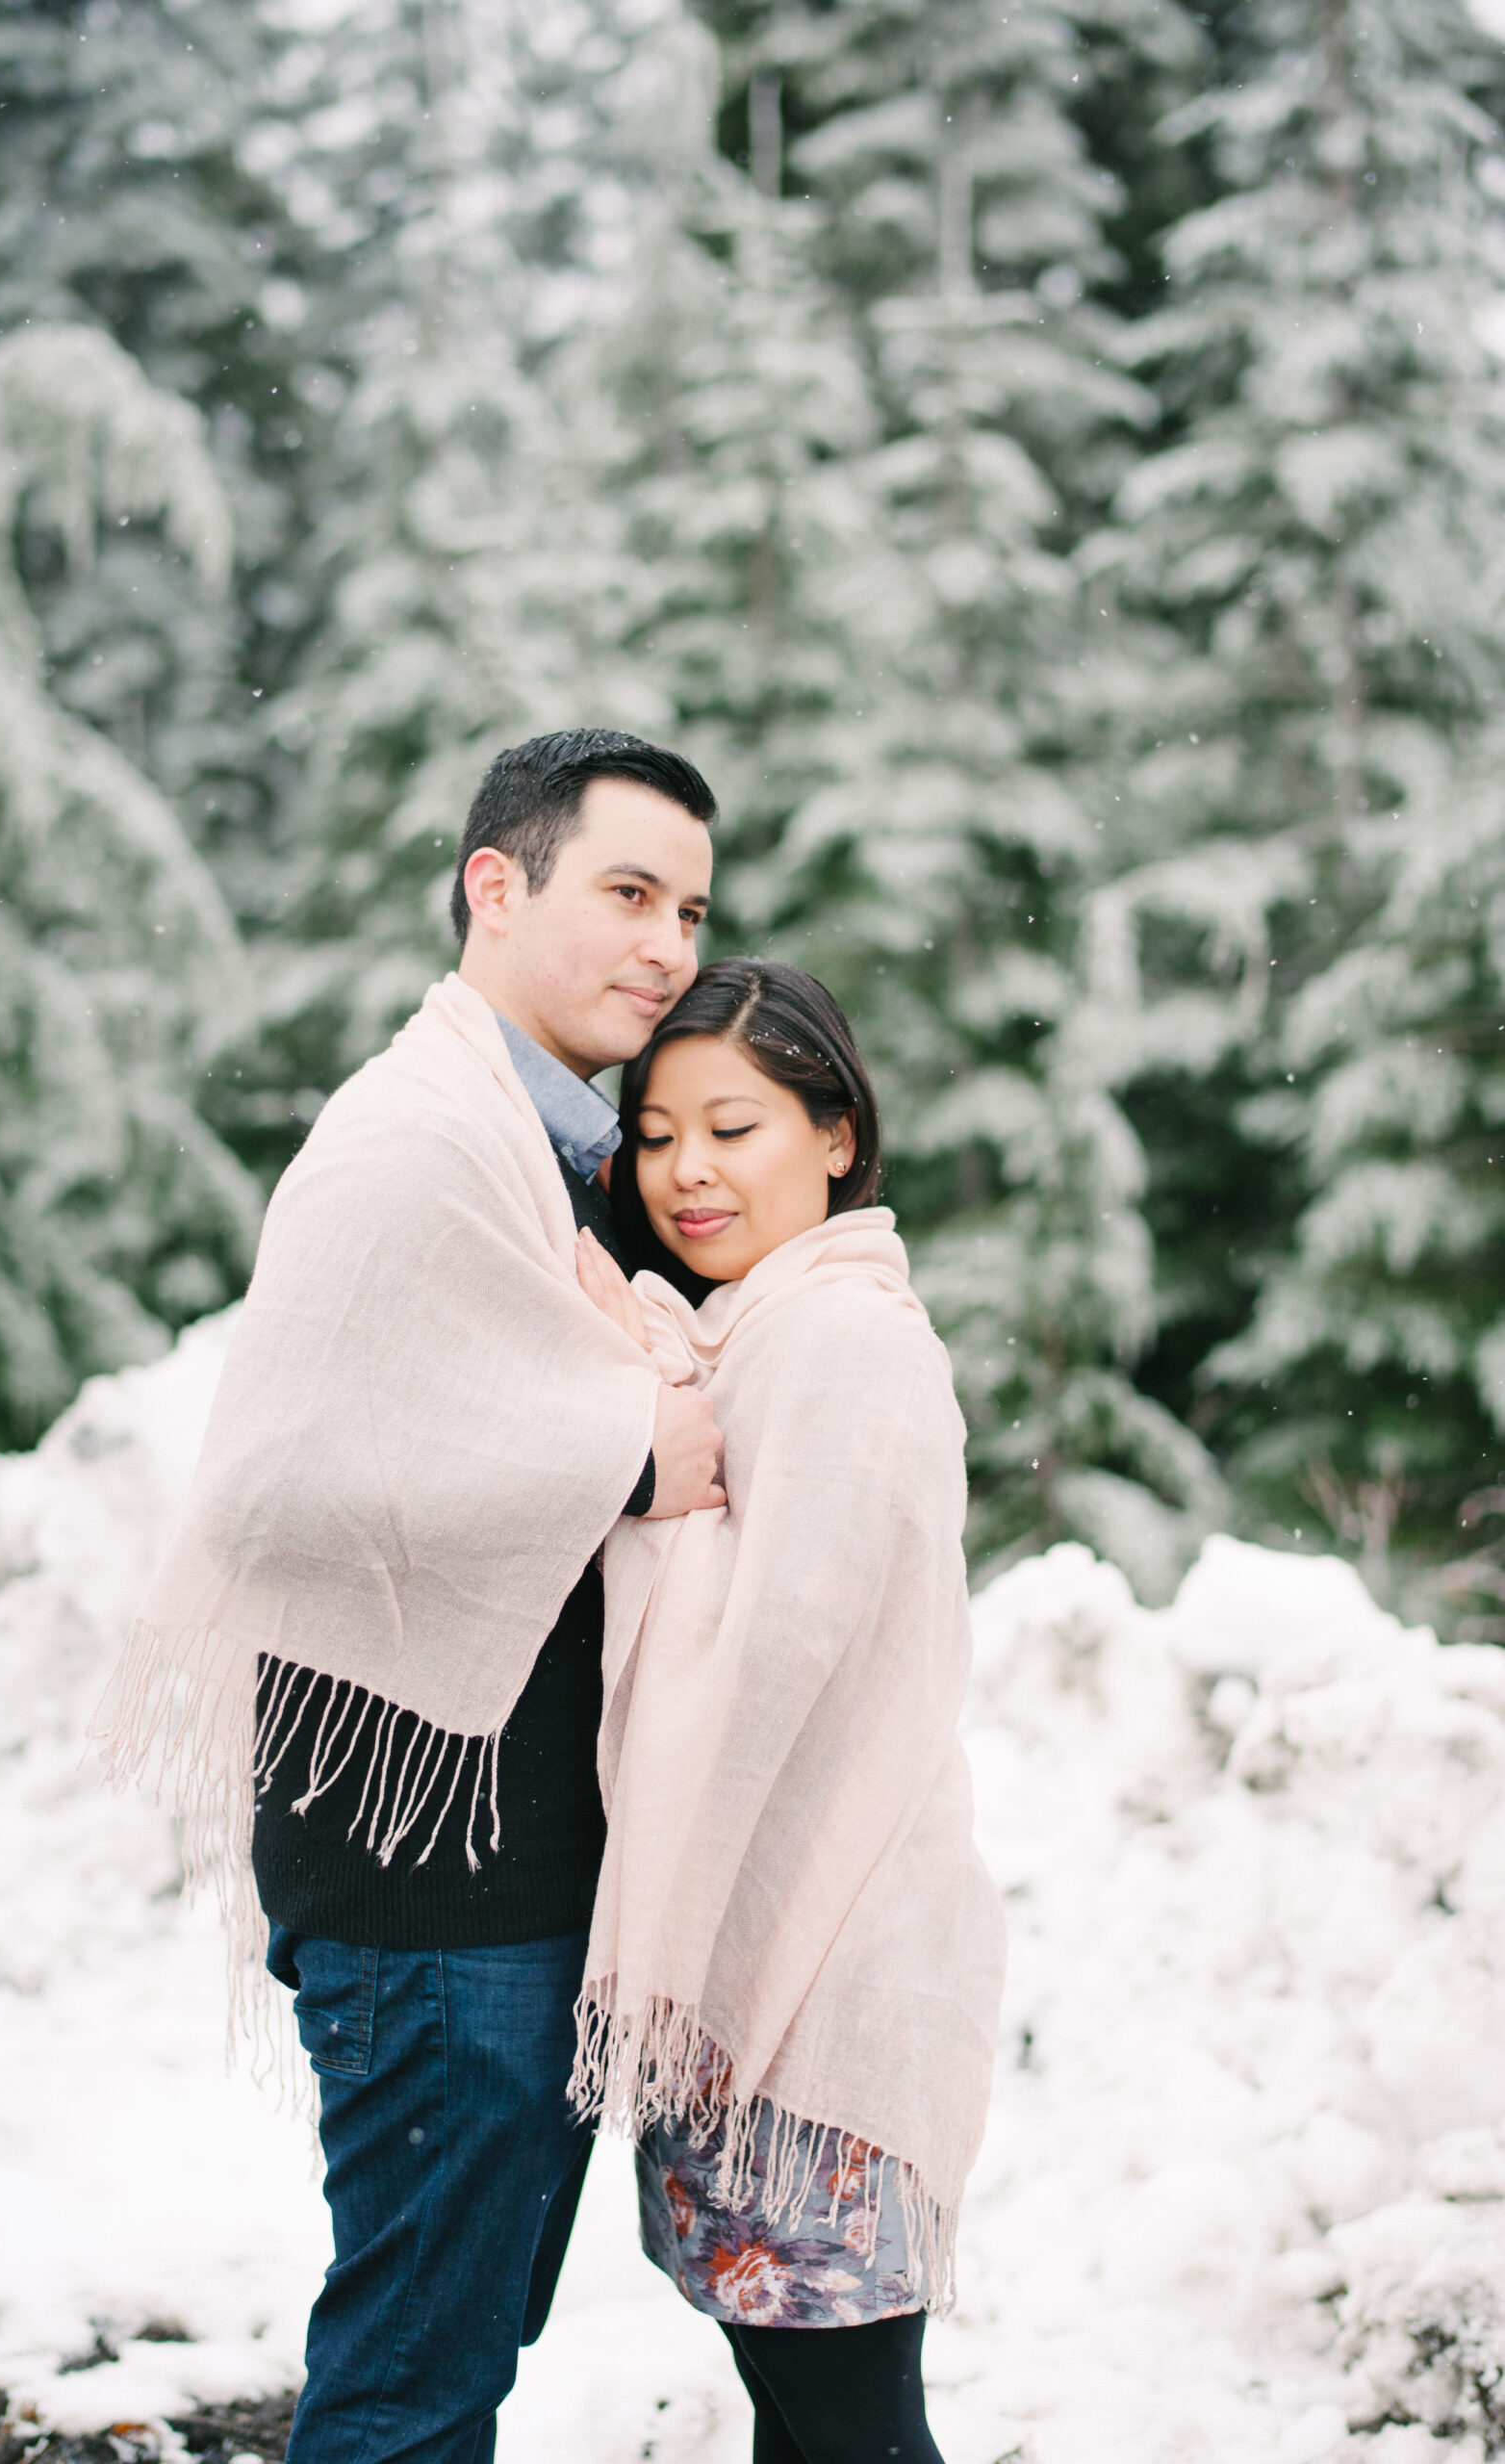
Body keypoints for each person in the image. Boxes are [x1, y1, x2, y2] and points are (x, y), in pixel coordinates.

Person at [95, 729, 728, 2464]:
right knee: (413, 2378)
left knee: (455, 2337)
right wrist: (635, 1445)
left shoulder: (554, 1148)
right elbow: (289, 1482)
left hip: (502, 1856)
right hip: (423, 1873)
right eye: (625, 892)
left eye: (688, 906)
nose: (668, 945)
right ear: (495, 887)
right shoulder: (415, 1144)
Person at [571, 960, 1007, 2464]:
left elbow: (774, 1650)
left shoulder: (839, 1340)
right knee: (812, 2423)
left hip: (824, 1986)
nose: (686, 1171)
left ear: (835, 1135)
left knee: (852, 2432)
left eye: (734, 1127)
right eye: (656, 1131)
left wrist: (644, 1467)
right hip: (781, 1982)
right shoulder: (753, 1328)